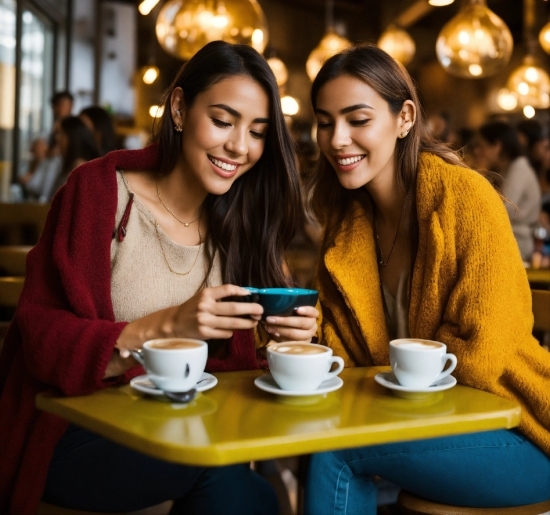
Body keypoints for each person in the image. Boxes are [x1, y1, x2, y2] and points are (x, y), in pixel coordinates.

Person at [0, 41, 318, 515]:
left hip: (185, 433)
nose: (239, 146)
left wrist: (286, 344)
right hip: (72, 434)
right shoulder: (98, 192)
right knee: (233, 479)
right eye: (223, 120)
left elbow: (235, 377)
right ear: (178, 108)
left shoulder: (242, 222)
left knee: (238, 480)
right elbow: (40, 337)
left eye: (257, 131)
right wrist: (166, 327)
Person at [303, 44, 550, 515]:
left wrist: (375, 394)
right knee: (312, 436)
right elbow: (342, 354)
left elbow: (478, 356)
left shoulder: (466, 200)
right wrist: (301, 335)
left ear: (404, 118)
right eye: (324, 121)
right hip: (424, 430)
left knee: (336, 449)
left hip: (519, 432)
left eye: (357, 120)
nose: (336, 139)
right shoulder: (347, 227)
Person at [473, 120, 541, 263]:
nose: (477, 151)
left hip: (517, 241)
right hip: (510, 239)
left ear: (497, 146)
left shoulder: (518, 169)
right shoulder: (510, 168)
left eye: (481, 146)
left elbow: (501, 210)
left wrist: (481, 173)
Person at [48, 115, 101, 196]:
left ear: (72, 137)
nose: (57, 138)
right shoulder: (69, 164)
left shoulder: (80, 168)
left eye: (61, 134)